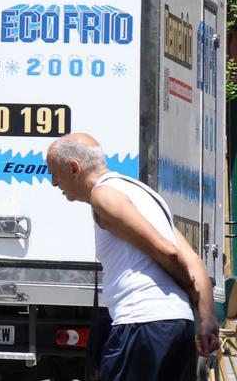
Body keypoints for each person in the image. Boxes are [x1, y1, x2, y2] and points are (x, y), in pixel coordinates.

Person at [45, 133, 219, 380]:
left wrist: (191, 289)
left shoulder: (103, 195)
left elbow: (166, 252)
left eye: (54, 173)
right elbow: (194, 260)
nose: (54, 182)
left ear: (74, 168)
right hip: (177, 323)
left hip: (141, 324)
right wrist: (206, 317)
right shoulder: (145, 194)